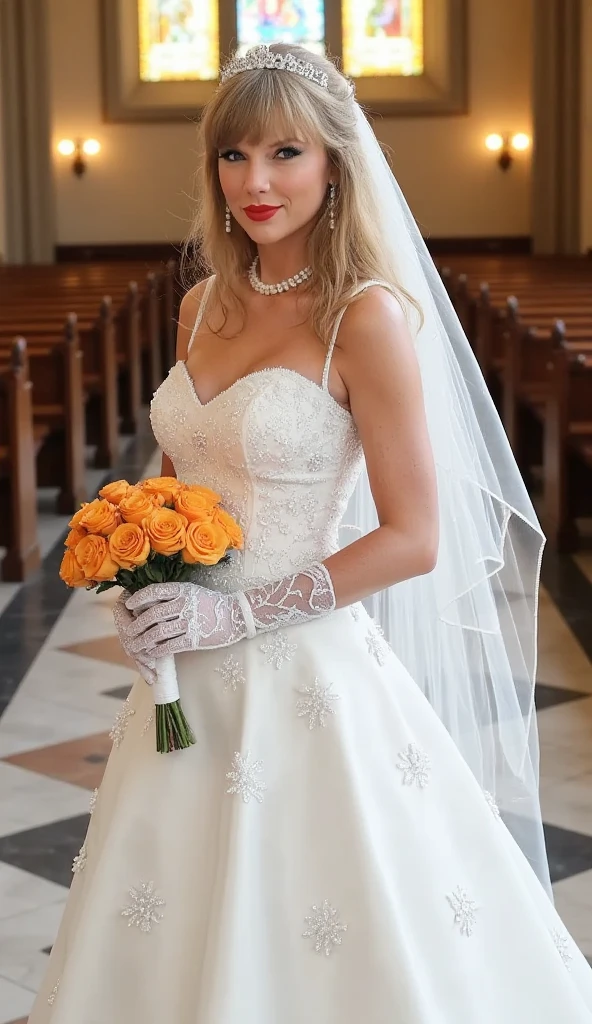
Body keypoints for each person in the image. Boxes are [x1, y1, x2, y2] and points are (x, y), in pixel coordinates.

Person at [29, 42, 592, 1023]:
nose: (255, 181)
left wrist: (231, 616)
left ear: (335, 164)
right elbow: (181, 480)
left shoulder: (363, 316)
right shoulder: (199, 303)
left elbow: (414, 536)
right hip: (183, 676)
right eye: (233, 154)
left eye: (285, 152)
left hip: (301, 666)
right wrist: (149, 588)